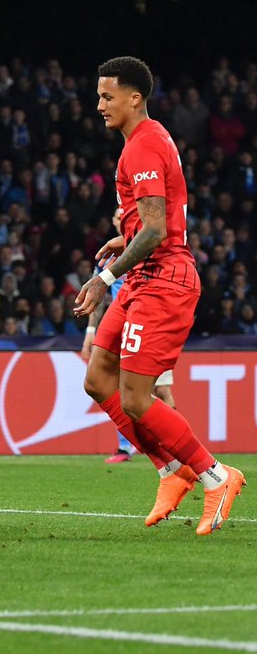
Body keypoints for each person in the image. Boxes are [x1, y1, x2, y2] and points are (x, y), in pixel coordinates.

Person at [75, 56, 244, 535]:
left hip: (163, 280)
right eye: (99, 95)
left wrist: (104, 278)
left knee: (135, 396)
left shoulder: (143, 147)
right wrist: (124, 240)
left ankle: (215, 475)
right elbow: (147, 225)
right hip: (145, 275)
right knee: (98, 378)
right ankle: (173, 472)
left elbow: (156, 229)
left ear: (134, 97)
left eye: (108, 96)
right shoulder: (145, 140)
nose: (100, 104)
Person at [80, 206, 176, 464]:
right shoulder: (109, 254)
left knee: (162, 390)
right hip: (122, 327)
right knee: (118, 387)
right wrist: (91, 330)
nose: (122, 218)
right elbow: (96, 294)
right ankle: (125, 447)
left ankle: (174, 444)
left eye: (125, 215)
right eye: (117, 216)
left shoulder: (150, 245)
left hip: (152, 324)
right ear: (113, 221)